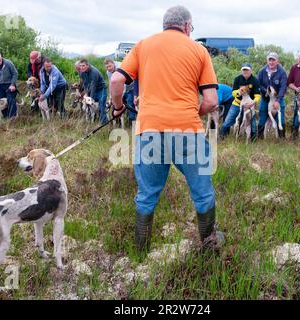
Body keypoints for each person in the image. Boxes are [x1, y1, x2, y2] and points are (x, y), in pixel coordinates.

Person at [110, 5, 223, 254]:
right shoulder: (199, 51)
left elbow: (116, 80)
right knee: (202, 193)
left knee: (147, 195)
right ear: (186, 26)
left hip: (149, 130)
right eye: (191, 28)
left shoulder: (143, 45)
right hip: (188, 131)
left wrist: (118, 108)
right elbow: (212, 100)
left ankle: (141, 251)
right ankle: (208, 246)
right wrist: (197, 112)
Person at [219, 63, 261, 140]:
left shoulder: (255, 81)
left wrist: (252, 103)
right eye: (244, 70)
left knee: (253, 124)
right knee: (228, 120)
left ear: (251, 70)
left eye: (247, 70)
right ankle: (221, 136)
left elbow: (258, 95)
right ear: (241, 71)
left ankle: (253, 140)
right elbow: (233, 92)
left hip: (250, 105)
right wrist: (239, 92)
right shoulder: (237, 79)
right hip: (237, 104)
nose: (245, 71)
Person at [257, 52, 288, 139]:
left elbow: (283, 87)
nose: (271, 62)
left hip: (278, 99)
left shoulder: (282, 72)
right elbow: (257, 83)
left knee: (280, 118)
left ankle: (282, 139)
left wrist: (278, 101)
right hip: (265, 98)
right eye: (269, 60)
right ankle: (259, 138)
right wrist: (266, 91)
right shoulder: (262, 71)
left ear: (277, 61)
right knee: (262, 116)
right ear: (267, 61)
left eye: (273, 60)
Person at [104, 57, 137, 123]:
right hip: (121, 87)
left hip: (131, 87)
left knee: (130, 103)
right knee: (119, 105)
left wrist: (118, 98)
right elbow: (112, 84)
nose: (109, 68)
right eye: (107, 67)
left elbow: (122, 85)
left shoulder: (120, 67)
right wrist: (111, 97)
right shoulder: (108, 72)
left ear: (113, 63)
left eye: (110, 66)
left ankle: (132, 122)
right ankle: (119, 121)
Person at [0, 51, 19, 119]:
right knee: (0, 101)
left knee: (10, 99)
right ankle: (5, 117)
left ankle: (13, 118)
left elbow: (15, 73)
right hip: (0, 85)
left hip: (10, 83)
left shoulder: (8, 63)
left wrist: (13, 84)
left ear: (1, 56)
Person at [79, 59, 108, 124]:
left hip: (101, 89)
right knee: (87, 105)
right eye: (80, 66)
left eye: (83, 66)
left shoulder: (94, 72)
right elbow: (85, 84)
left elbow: (93, 86)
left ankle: (104, 123)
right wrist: (86, 94)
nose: (82, 67)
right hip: (91, 89)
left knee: (101, 106)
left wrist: (91, 99)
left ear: (88, 65)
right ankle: (90, 121)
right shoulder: (81, 72)